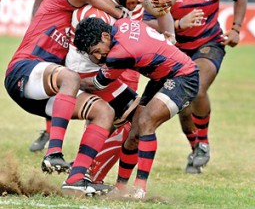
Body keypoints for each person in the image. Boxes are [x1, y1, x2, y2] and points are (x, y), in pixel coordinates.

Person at [65, 0, 178, 183]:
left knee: (125, 121)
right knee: (115, 114)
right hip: (96, 61)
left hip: (128, 61)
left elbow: (164, 7)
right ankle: (86, 172)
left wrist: (169, 32)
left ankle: (90, 172)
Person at [4, 0, 129, 196]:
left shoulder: (80, 33)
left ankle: (76, 179)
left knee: (104, 112)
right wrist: (123, 16)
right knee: (70, 77)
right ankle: (53, 152)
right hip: (23, 71)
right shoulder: (56, 3)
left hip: (47, 96)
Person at [143, 0, 247, 173]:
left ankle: (204, 143)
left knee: (196, 87)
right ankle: (195, 148)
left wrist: (236, 29)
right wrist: (179, 24)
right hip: (177, 49)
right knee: (182, 102)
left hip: (209, 44)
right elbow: (147, 23)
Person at [73, 15, 199, 199]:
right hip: (163, 77)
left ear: (105, 36)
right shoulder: (122, 24)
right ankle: (121, 188)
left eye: (97, 50)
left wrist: (67, 79)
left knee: (146, 121)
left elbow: (96, 85)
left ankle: (140, 189)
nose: (99, 56)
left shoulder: (119, 54)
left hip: (184, 77)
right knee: (134, 134)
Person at [29, 0, 97, 153]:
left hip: (82, 42)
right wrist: (35, 24)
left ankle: (94, 133)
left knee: (90, 85)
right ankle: (50, 131)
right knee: (53, 84)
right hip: (56, 39)